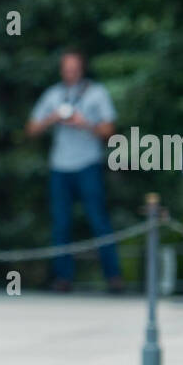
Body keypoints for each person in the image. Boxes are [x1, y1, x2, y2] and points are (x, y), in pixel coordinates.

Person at [25, 48, 123, 292]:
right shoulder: (53, 95)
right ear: (62, 69)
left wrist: (85, 124)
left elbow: (110, 131)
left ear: (81, 68)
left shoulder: (97, 93)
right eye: (66, 68)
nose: (70, 72)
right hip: (60, 166)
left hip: (88, 164)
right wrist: (52, 118)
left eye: (74, 68)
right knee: (61, 224)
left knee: (99, 221)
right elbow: (31, 129)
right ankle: (63, 278)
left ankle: (113, 277)